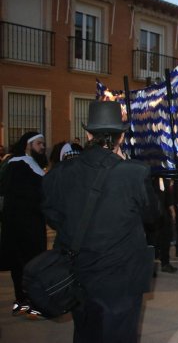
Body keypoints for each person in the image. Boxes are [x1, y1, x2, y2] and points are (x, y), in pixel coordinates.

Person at [42, 101, 159, 342]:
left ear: (87, 134)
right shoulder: (134, 172)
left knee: (85, 334)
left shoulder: (59, 173)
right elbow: (153, 216)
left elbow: (51, 215)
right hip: (121, 278)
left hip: (76, 274)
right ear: (121, 137)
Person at [0, 132, 48, 318]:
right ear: (28, 145)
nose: (43, 147)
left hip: (29, 223)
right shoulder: (19, 164)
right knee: (26, 264)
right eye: (39, 143)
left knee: (26, 264)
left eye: (43, 144)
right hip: (23, 225)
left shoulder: (28, 163)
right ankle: (27, 301)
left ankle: (26, 300)